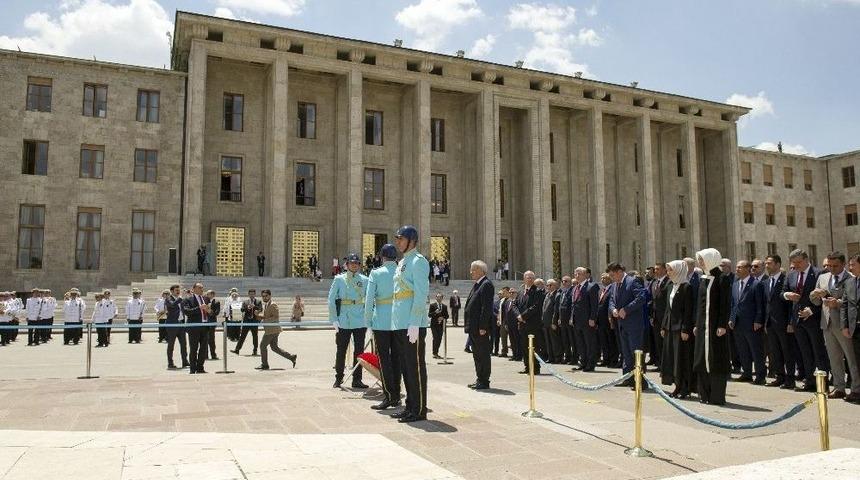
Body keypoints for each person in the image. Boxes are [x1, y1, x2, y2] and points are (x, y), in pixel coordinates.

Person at [390, 225, 431, 423]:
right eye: (397, 239)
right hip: (401, 322)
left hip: (413, 324)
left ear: (411, 241)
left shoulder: (418, 261)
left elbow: (421, 294)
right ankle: (410, 406)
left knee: (414, 366)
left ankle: (419, 408)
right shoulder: (403, 262)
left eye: (401, 239)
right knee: (406, 367)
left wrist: (415, 322)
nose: (398, 242)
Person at [812, 252, 858, 399]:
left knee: (852, 359)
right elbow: (815, 302)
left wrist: (837, 303)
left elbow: (852, 303)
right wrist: (815, 295)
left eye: (835, 266)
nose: (831, 268)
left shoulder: (851, 278)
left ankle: (856, 388)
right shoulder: (822, 277)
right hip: (827, 323)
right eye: (829, 265)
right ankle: (839, 387)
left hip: (844, 325)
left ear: (843, 264)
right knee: (834, 358)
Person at [364, 244, 402, 410]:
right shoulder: (402, 271)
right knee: (397, 358)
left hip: (381, 321)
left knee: (384, 359)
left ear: (382, 257)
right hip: (400, 320)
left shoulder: (376, 273)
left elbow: (369, 299)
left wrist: (368, 322)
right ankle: (397, 393)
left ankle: (389, 395)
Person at [693, 248, 732, 405]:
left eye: (702, 259)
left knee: (716, 359)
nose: (700, 262)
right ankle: (704, 394)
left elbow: (725, 303)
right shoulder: (703, 278)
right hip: (703, 326)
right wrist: (697, 323)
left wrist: (722, 324)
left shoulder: (722, 278)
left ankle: (716, 396)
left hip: (716, 327)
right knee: (702, 358)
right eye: (699, 260)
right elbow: (700, 305)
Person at [782, 249, 825, 392]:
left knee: (818, 351)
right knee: (804, 352)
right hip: (798, 320)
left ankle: (822, 383)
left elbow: (824, 297)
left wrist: (811, 310)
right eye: (793, 263)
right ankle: (809, 382)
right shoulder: (791, 275)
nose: (796, 265)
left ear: (807, 260)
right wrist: (788, 295)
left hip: (814, 319)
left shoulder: (819, 273)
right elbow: (783, 292)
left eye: (799, 262)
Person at [328, 253, 369, 389]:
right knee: (341, 350)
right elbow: (331, 299)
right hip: (344, 319)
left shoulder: (365, 280)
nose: (354, 265)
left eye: (356, 263)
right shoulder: (339, 279)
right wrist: (334, 319)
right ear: (347, 264)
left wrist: (369, 318)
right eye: (352, 263)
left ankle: (357, 379)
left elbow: (369, 300)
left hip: (360, 319)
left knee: (359, 352)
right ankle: (339, 377)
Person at [660, 260, 696, 398]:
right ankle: (676, 385)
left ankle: (685, 387)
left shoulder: (687, 287)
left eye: (670, 270)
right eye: (668, 270)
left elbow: (688, 310)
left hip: (680, 328)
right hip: (670, 327)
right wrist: (664, 325)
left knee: (681, 359)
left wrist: (685, 329)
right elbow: (667, 309)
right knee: (672, 359)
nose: (668, 273)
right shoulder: (670, 286)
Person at [608, 263, 647, 386]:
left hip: (634, 324)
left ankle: (640, 380)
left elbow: (641, 298)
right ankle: (628, 377)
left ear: (619, 272)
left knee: (635, 352)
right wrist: (613, 309)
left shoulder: (632, 282)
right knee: (625, 352)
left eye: (613, 275)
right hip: (622, 324)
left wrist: (626, 309)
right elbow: (611, 300)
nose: (612, 278)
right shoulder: (614, 285)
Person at [763, 255, 794, 389]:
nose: (767, 266)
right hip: (770, 323)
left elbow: (789, 305)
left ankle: (790, 379)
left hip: (783, 322)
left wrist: (790, 322)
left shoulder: (785, 280)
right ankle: (779, 377)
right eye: (766, 263)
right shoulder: (767, 282)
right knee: (775, 352)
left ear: (777, 264)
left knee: (787, 351)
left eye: (769, 263)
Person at [465, 260, 494, 389]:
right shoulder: (478, 284)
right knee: (477, 354)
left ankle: (484, 380)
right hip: (473, 327)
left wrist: (483, 326)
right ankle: (479, 378)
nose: (471, 272)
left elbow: (486, 308)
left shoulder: (486, 284)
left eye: (473, 270)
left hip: (479, 328)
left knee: (483, 354)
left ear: (481, 271)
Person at [255, 289, 297, 370]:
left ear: (270, 296)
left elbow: (275, 317)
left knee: (262, 346)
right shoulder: (267, 304)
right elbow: (267, 316)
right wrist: (258, 315)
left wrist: (264, 321)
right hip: (272, 330)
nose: (264, 297)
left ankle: (265, 365)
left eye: (266, 296)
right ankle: (291, 357)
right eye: (263, 296)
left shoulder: (273, 305)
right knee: (274, 347)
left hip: (272, 330)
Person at [840, 254, 860, 403]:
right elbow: (845, 305)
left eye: (853, 265)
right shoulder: (850, 282)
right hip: (855, 328)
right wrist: (845, 326)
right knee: (857, 362)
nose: (850, 267)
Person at [517, 271, 545, 375]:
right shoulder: (521, 292)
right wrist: (518, 316)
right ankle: (527, 367)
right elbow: (515, 305)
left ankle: (535, 368)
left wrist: (523, 316)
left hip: (533, 325)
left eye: (531, 278)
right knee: (524, 347)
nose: (529, 279)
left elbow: (536, 307)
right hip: (522, 325)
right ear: (524, 279)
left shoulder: (538, 291)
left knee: (534, 347)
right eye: (527, 277)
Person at [572, 268, 600, 371]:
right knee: (580, 343)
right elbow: (574, 305)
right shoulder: (575, 288)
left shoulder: (592, 286)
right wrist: (572, 317)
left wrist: (592, 318)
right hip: (577, 320)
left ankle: (590, 364)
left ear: (585, 275)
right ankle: (583, 362)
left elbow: (594, 305)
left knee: (590, 343)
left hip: (588, 320)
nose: (577, 276)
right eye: (575, 274)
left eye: (579, 274)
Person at [182, 282, 211, 374]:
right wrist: (199, 308)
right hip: (194, 327)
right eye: (199, 288)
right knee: (194, 348)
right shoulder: (188, 299)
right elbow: (187, 312)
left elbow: (211, 312)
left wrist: (209, 311)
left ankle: (200, 368)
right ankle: (192, 368)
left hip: (205, 326)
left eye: (202, 288)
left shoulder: (206, 299)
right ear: (193, 289)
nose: (201, 289)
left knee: (203, 349)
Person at [650, 264, 670, 368]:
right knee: (658, 342)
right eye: (655, 269)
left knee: (666, 343)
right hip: (656, 318)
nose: (655, 271)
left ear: (664, 270)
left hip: (665, 318)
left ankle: (667, 365)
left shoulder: (669, 282)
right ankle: (660, 364)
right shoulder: (654, 283)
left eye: (657, 269)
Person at [164, 284, 189, 369]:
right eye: (176, 290)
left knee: (184, 344)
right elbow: (172, 305)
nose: (178, 292)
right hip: (172, 324)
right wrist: (180, 298)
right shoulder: (168, 299)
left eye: (179, 290)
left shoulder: (180, 299)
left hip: (181, 324)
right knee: (171, 344)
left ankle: (185, 361)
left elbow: (184, 309)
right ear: (171, 291)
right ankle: (170, 363)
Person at [233, 289, 261, 356]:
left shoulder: (258, 301)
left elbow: (260, 309)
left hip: (254, 321)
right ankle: (237, 350)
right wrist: (247, 308)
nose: (251, 295)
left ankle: (255, 350)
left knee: (255, 336)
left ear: (255, 294)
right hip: (246, 321)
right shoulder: (245, 302)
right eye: (250, 294)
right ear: (248, 294)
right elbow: (242, 309)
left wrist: (255, 307)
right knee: (242, 336)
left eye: (253, 294)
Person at [541, 279, 562, 363]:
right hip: (545, 322)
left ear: (555, 285)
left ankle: (557, 357)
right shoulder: (547, 295)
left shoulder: (557, 295)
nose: (548, 287)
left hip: (552, 322)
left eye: (551, 285)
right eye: (547, 285)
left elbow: (556, 310)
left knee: (555, 341)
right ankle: (550, 357)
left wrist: (554, 322)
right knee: (548, 341)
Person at [428, 293, 449, 359]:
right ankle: (434, 353)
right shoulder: (432, 305)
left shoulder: (444, 306)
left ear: (442, 298)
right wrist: (435, 312)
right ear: (436, 298)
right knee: (435, 338)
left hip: (441, 325)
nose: (439, 298)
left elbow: (447, 316)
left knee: (439, 339)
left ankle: (436, 352)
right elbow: (429, 315)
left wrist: (442, 317)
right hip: (434, 325)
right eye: (438, 297)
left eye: (440, 297)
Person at [205, 290, 220, 360]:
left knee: (211, 339)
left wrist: (210, 312)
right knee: (204, 339)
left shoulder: (216, 302)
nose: (207, 295)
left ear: (213, 295)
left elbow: (217, 312)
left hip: (212, 322)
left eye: (208, 294)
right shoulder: (204, 301)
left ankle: (213, 354)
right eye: (207, 294)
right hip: (205, 322)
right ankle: (205, 355)